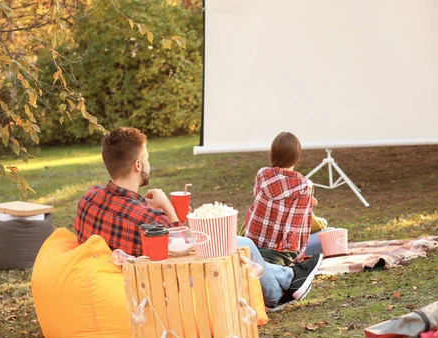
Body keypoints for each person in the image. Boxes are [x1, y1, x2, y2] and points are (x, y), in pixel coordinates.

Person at [74, 127, 321, 311]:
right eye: (147, 158)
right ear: (138, 165)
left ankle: (288, 275)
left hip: (123, 272)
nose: (149, 162)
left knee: (241, 244)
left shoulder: (89, 198)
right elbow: (189, 249)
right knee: (243, 245)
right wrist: (167, 207)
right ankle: (281, 289)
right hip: (170, 280)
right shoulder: (147, 218)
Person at [243, 131, 326, 266]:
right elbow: (292, 230)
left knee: (322, 222)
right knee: (327, 230)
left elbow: (265, 202)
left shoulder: (262, 174)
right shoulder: (304, 186)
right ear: (296, 156)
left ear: (273, 153)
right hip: (278, 252)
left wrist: (306, 203)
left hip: (253, 243)